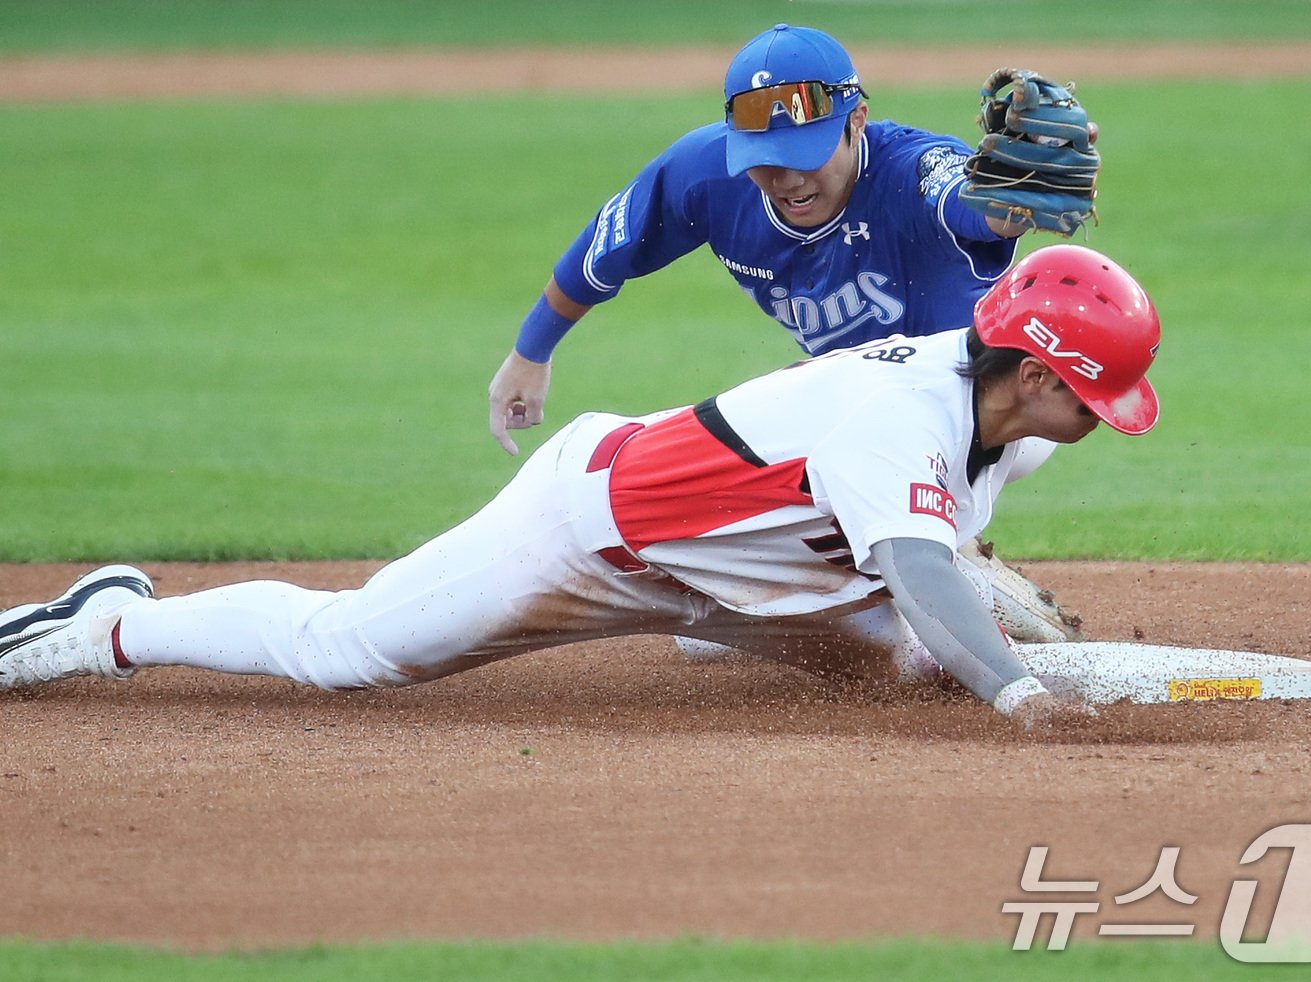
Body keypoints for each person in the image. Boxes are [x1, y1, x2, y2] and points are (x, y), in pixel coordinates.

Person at [1, 246, 1158, 734]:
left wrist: (968, 607)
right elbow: (913, 561)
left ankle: (730, 629)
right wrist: (1019, 696)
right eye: (1093, 396)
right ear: (1030, 372)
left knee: (918, 661)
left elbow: (929, 553)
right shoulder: (893, 421)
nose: (1100, 422)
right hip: (584, 540)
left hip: (744, 567)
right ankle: (112, 622)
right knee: (342, 651)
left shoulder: (1012, 425)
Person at [486, 23, 1099, 643]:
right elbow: (603, 253)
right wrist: (529, 352)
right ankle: (925, 568)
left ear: (856, 120)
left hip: (987, 413)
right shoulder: (706, 176)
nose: (785, 179)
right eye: (763, 161)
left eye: (804, 155)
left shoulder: (915, 170)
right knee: (712, 639)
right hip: (858, 413)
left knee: (908, 631)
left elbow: (972, 201)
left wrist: (1007, 205)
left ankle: (951, 561)